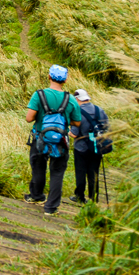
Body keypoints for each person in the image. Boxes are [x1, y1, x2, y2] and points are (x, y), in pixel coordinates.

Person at [25, 64, 82, 215]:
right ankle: (50, 207)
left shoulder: (39, 95)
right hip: (60, 141)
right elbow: (77, 122)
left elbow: (29, 118)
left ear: (49, 76)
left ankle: (36, 196)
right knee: (57, 172)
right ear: (65, 80)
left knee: (38, 167)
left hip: (40, 138)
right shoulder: (70, 99)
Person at [70, 88, 109, 204]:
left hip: (81, 147)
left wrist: (68, 131)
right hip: (97, 147)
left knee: (80, 172)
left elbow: (74, 134)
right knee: (94, 172)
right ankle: (93, 198)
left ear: (77, 99)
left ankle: (80, 196)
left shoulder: (77, 112)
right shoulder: (99, 110)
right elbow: (106, 128)